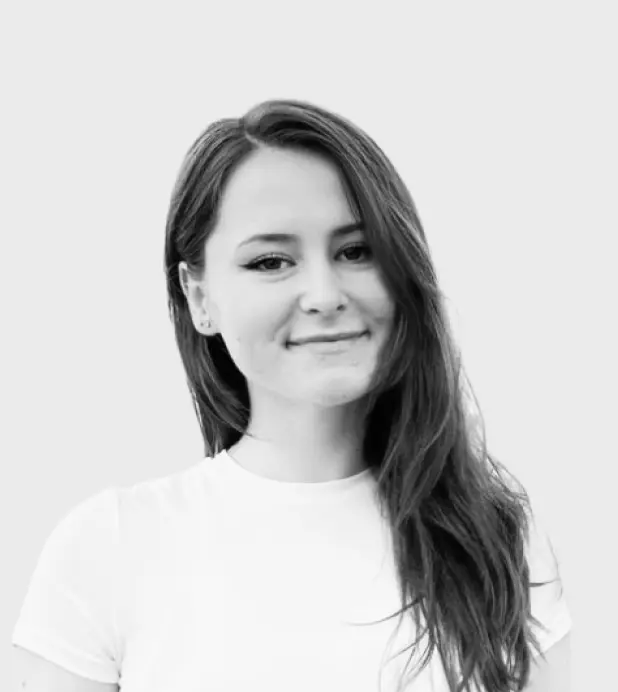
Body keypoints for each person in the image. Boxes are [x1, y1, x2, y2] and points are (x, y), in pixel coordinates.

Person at [11, 98, 572, 691]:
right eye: (271, 261)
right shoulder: (110, 548)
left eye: (356, 251)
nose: (324, 295)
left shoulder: (499, 542)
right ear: (199, 297)